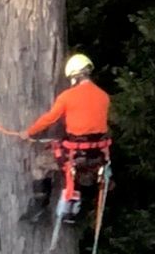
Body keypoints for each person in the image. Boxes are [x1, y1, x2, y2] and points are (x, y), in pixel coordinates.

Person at [21, 54, 111, 224]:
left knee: (40, 164)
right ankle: (76, 211)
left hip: (74, 154)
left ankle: (39, 208)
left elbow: (50, 118)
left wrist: (29, 132)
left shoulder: (67, 97)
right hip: (96, 156)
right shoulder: (104, 97)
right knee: (84, 173)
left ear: (74, 76)